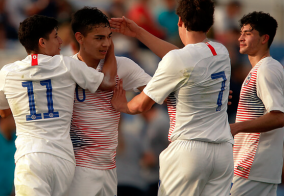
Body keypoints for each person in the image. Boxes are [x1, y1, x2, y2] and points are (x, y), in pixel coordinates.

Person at [110, 0, 234, 195]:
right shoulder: (221, 52)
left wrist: (122, 105)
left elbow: (141, 105)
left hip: (189, 149)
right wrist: (140, 32)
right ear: (210, 24)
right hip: (223, 152)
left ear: (179, 21)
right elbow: (183, 57)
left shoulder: (178, 60)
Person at [0, 14, 117, 196]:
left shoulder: (8, 71)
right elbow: (107, 83)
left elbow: (2, 112)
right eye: (56, 36)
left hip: (31, 157)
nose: (60, 41)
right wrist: (110, 48)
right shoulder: (67, 64)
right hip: (63, 160)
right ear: (42, 42)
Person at [68, 7, 152, 196]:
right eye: (99, 38)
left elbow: (158, 93)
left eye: (109, 37)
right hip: (77, 169)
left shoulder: (123, 65)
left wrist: (129, 107)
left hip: (110, 169)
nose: (106, 43)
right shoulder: (66, 70)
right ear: (79, 37)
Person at [230, 12, 284, 196]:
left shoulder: (267, 68)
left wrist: (236, 127)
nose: (240, 37)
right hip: (254, 167)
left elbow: (279, 116)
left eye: (248, 33)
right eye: (241, 32)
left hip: (253, 166)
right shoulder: (261, 69)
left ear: (264, 38)